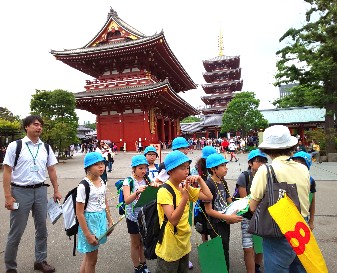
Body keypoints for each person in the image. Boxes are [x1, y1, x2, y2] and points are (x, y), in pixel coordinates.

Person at [3, 115, 62, 273]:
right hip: (19, 192)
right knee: (16, 230)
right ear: (26, 127)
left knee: (42, 229)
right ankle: (10, 267)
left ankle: (40, 261)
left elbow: (51, 170)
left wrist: (56, 190)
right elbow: (7, 171)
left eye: (41, 125)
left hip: (41, 191)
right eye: (36, 124)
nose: (39, 127)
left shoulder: (46, 148)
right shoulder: (16, 146)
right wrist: (8, 196)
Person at [249, 125, 310, 273]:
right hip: (302, 227)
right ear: (290, 146)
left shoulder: (266, 170)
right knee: (299, 268)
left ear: (268, 149)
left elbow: (252, 206)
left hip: (279, 230)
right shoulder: (303, 168)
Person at [155, 150, 213, 273]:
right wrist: (185, 197)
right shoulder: (164, 191)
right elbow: (173, 219)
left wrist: (200, 180)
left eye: (187, 167)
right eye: (182, 168)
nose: (187, 171)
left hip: (184, 243)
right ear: (170, 171)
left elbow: (209, 197)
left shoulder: (184, 186)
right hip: (169, 246)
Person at [204, 153, 243, 272]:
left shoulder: (223, 181)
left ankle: (224, 269)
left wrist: (238, 208)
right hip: (215, 223)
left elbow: (228, 200)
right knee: (220, 249)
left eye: (225, 165)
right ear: (213, 169)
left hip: (224, 221)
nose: (226, 168)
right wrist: (227, 217)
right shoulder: (209, 184)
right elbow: (208, 210)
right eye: (222, 166)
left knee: (225, 246)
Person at [76, 152, 113, 273]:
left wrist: (110, 221)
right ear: (88, 168)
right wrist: (87, 235)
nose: (101, 167)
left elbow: (105, 202)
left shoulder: (102, 181)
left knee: (88, 256)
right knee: (92, 261)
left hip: (100, 220)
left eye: (102, 163)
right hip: (89, 224)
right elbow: (79, 213)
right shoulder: (83, 186)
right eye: (96, 164)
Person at [123, 155, 160, 273]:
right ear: (133, 168)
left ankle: (143, 264)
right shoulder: (128, 181)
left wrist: (154, 186)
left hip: (144, 216)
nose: (144, 171)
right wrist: (137, 192)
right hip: (132, 217)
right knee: (135, 243)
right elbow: (127, 200)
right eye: (140, 168)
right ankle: (137, 266)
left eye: (145, 168)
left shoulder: (147, 179)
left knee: (144, 240)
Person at [235, 149, 267, 273]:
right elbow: (245, 202)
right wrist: (255, 212)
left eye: (263, 162)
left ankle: (257, 266)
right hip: (248, 217)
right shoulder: (245, 176)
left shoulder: (267, 177)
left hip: (262, 217)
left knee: (260, 245)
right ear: (250, 163)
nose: (261, 164)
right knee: (248, 248)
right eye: (258, 161)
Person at [190, 145, 217, 242]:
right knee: (203, 225)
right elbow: (192, 186)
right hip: (200, 201)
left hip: (212, 200)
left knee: (213, 224)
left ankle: (213, 245)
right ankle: (206, 246)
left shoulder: (215, 168)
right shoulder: (196, 170)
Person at [290, 151, 316, 230]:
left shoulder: (310, 180)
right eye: (295, 160)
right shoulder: (286, 176)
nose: (297, 163)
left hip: (302, 216)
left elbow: (312, 201)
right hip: (286, 215)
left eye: (302, 162)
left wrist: (311, 221)